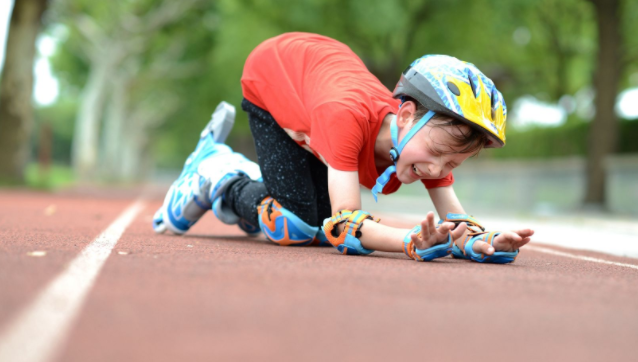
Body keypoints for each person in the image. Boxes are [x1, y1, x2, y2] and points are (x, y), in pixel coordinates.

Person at [152, 32, 533, 263]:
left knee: (314, 223)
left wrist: (484, 243)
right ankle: (218, 174)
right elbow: (345, 226)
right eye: (437, 156)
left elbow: (455, 221)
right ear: (405, 116)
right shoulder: (345, 117)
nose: (437, 170)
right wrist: (411, 242)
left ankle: (251, 179)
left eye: (453, 163)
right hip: (274, 76)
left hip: (318, 88)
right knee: (299, 226)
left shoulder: (427, 143)